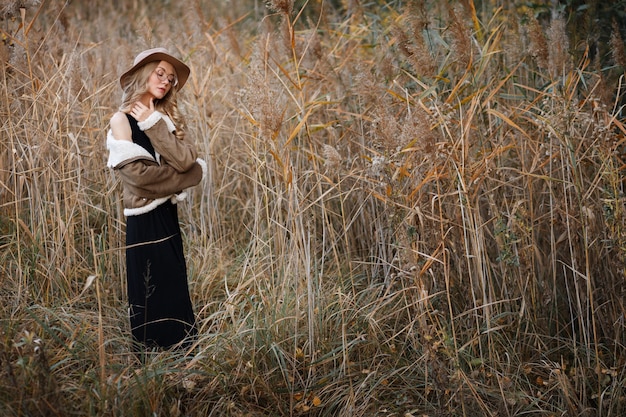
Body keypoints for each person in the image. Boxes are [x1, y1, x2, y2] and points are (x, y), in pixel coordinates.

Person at [106, 47, 206, 352]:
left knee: (174, 280)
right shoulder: (120, 120)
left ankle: (183, 352)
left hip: (167, 215)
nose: (165, 81)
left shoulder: (167, 119)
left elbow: (186, 159)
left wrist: (154, 122)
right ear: (143, 72)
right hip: (141, 218)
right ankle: (149, 359)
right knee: (148, 287)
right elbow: (138, 177)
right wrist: (186, 178)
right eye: (159, 72)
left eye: (171, 78)